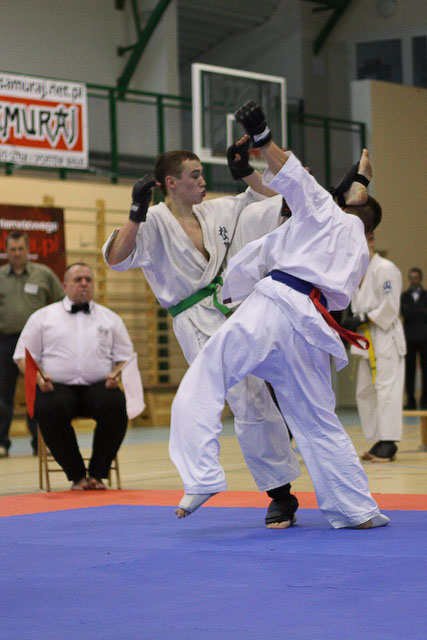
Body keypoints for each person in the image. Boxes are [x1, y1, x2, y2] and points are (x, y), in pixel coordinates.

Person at [169, 100, 390, 529]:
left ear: (350, 206)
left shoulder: (325, 212)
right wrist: (360, 178)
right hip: (311, 327)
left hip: (275, 306)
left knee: (207, 374)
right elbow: (317, 192)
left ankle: (201, 476)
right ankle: (356, 509)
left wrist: (263, 136)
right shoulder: (357, 248)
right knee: (317, 421)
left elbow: (296, 177)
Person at [103, 143, 301, 529]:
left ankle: (281, 491)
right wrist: (135, 214)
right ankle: (236, 486)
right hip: (195, 321)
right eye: (194, 175)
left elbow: (273, 198)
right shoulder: (153, 222)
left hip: (237, 310)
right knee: (223, 398)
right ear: (171, 183)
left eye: (202, 174)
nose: (202, 181)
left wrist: (245, 172)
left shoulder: (216, 211)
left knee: (262, 394)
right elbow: (115, 258)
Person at [13, 262, 133, 490]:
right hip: (56, 388)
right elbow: (22, 357)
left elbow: (125, 357)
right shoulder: (42, 318)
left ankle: (97, 473)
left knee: (116, 403)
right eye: (78, 280)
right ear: (65, 285)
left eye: (88, 280)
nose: (84, 284)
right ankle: (77, 475)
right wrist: (39, 380)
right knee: (48, 407)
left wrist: (116, 374)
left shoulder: (110, 319)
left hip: (98, 387)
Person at [0, 231, 64, 457]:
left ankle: (41, 442)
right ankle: (1, 443)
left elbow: (62, 302)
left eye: (20, 249)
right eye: (12, 249)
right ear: (6, 251)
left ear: (28, 250)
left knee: (37, 392)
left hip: (36, 344)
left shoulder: (43, 274)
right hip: (5, 342)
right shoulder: (0, 276)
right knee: (2, 395)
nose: (17, 253)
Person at [345, 225, 406, 463]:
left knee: (386, 389)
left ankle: (389, 442)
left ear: (371, 241)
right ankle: (378, 438)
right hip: (365, 340)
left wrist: (364, 317)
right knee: (365, 391)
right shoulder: (356, 272)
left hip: (385, 335)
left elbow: (390, 306)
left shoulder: (386, 269)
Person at [400, 268, 427, 409]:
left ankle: (425, 400)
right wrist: (420, 311)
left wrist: (414, 312)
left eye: (416, 277)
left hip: (425, 337)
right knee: (409, 370)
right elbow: (405, 313)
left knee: (425, 369)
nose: (413, 280)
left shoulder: (426, 295)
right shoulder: (404, 296)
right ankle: (410, 400)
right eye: (411, 278)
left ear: (420, 278)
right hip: (409, 337)